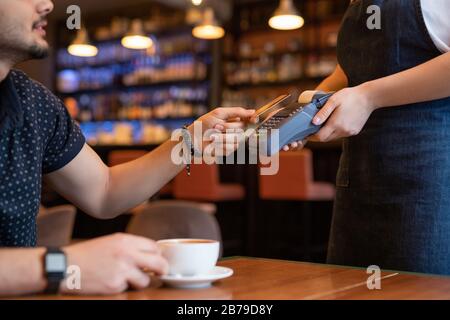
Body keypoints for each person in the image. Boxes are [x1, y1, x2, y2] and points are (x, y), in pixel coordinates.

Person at [0, 0, 255, 296]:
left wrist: (190, 141)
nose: (47, 4)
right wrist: (64, 265)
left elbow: (104, 191)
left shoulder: (34, 103)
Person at [286, 0, 450, 275]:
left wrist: (369, 97)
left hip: (427, 178)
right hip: (358, 176)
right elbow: (350, 70)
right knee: (348, 287)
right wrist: (308, 113)